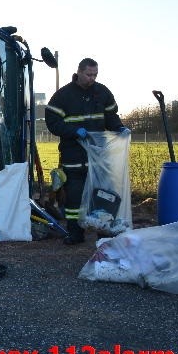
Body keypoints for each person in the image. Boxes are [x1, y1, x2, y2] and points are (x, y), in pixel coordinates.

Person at [45, 58, 127, 245]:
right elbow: (53, 123)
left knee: (103, 196)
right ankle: (75, 234)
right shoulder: (63, 96)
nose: (92, 78)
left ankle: (103, 232)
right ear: (79, 72)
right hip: (73, 155)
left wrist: (119, 128)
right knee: (74, 198)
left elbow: (111, 116)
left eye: (95, 75)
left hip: (99, 156)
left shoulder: (102, 92)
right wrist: (74, 132)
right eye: (89, 74)